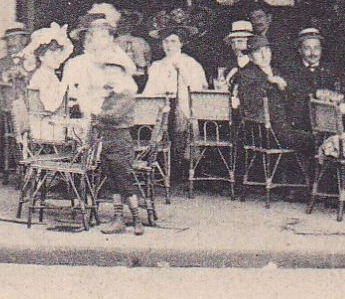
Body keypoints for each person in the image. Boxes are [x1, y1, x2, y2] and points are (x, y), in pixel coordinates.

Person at [62, 14, 144, 234]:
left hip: (117, 135)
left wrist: (98, 112)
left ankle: (136, 218)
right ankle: (118, 217)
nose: (109, 73)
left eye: (113, 70)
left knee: (122, 176)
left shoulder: (124, 90)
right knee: (111, 175)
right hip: (103, 133)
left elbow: (116, 110)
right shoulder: (91, 69)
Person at [143, 26, 210, 174]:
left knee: (182, 123)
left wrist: (182, 71)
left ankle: (182, 167)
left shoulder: (190, 63)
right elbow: (149, 92)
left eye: (173, 41)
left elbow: (198, 88)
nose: (169, 45)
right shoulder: (157, 65)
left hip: (183, 106)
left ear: (181, 43)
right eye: (166, 42)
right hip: (162, 106)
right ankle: (159, 167)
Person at [232, 35, 311, 157]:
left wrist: (284, 84)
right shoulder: (247, 74)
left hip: (285, 127)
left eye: (267, 50)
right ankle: (310, 176)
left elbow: (297, 88)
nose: (264, 55)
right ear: (250, 56)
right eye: (258, 52)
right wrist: (270, 82)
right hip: (266, 132)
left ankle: (302, 174)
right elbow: (252, 103)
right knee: (315, 141)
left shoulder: (276, 71)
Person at [0, 22, 33, 170]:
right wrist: (3, 79)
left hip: (28, 104)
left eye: (15, 39)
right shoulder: (0, 63)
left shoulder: (32, 60)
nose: (11, 43)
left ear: (24, 41)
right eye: (9, 40)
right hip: (4, 103)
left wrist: (25, 75)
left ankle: (23, 161)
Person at [283, 27, 341, 127]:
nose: (313, 53)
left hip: (328, 123)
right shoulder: (290, 71)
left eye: (316, 48)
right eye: (307, 48)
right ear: (300, 50)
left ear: (321, 49)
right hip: (301, 126)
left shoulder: (331, 70)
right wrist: (316, 93)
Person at [220, 19, 254, 86]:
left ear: (249, 43)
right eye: (233, 42)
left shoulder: (256, 62)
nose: (235, 46)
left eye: (240, 41)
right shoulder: (229, 64)